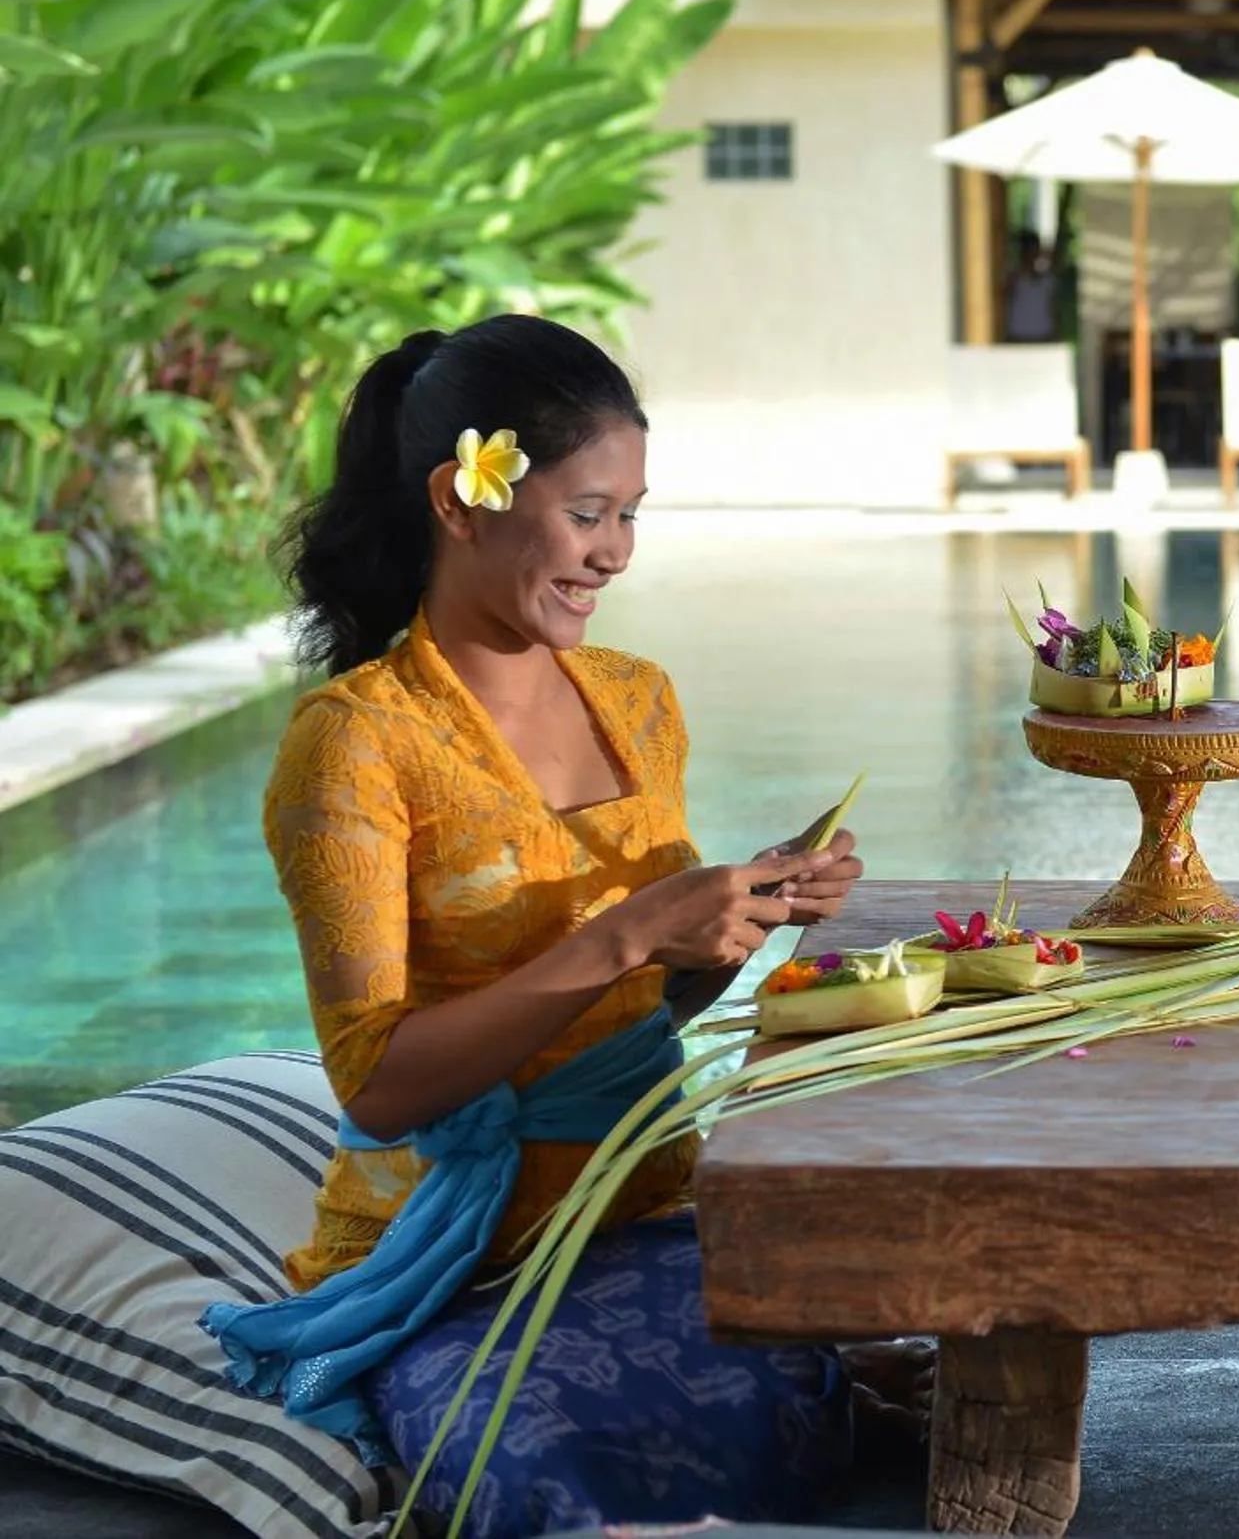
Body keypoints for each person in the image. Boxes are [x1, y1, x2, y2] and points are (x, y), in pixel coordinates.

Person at [201, 316, 922, 1538]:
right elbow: (376, 1086)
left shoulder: (639, 702)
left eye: (634, 514)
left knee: (770, 1403)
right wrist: (628, 933)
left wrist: (740, 921)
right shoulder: (357, 742)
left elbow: (642, 1009)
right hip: (453, 1256)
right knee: (543, 1468)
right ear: (463, 498)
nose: (616, 554)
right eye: (589, 514)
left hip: (640, 1209)